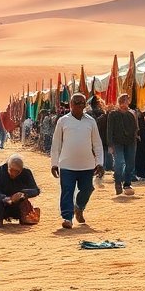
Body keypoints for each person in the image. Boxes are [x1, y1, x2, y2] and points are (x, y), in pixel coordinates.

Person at [50, 93, 104, 229]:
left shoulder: (91, 121)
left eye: (82, 103)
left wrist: (99, 163)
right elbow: (56, 144)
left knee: (87, 189)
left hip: (87, 165)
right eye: (77, 102)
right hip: (67, 164)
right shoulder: (63, 121)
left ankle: (79, 207)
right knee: (67, 190)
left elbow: (97, 144)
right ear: (71, 104)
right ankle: (67, 218)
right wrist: (54, 164)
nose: (80, 105)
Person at [0, 154, 42, 226]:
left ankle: (23, 218)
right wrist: (6, 198)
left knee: (24, 200)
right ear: (8, 166)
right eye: (11, 170)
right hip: (1, 204)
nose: (13, 174)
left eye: (17, 171)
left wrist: (23, 194)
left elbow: (36, 190)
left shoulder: (26, 172)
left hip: (17, 204)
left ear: (21, 169)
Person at [106, 94, 139, 197]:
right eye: (124, 101)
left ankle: (127, 183)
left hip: (130, 142)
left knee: (130, 164)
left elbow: (135, 128)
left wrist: (136, 137)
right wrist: (110, 145)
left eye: (126, 101)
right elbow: (109, 130)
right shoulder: (113, 114)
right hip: (117, 143)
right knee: (119, 162)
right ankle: (117, 182)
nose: (125, 103)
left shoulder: (132, 114)